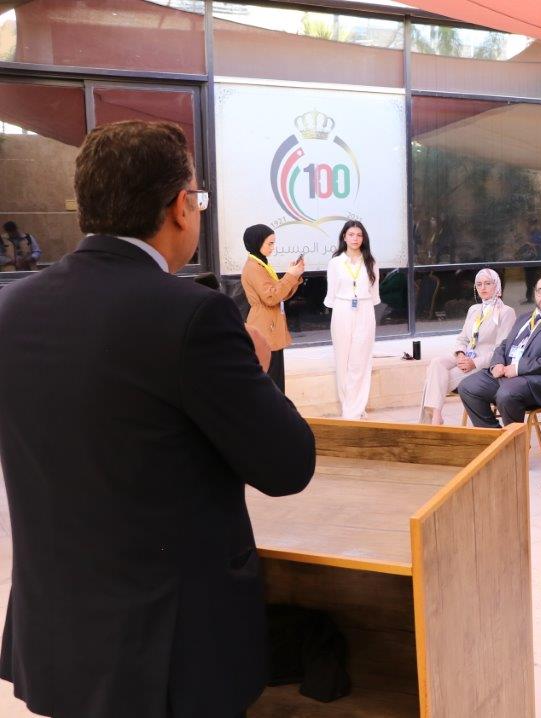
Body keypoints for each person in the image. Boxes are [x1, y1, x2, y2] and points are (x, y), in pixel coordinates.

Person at [0, 121, 315, 718]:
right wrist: (256, 370)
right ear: (178, 206)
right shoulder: (193, 316)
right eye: (197, 198)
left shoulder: (13, 307)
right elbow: (288, 465)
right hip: (167, 655)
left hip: (58, 637)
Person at [457, 275, 541, 427]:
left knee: (507, 394)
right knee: (468, 386)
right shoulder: (524, 318)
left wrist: (518, 368)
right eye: (540, 291)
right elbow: (504, 344)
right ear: (535, 293)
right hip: (509, 375)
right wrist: (497, 363)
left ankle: (514, 439)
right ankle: (495, 436)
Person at [419, 268, 516, 424]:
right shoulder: (474, 309)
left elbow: (501, 349)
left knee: (431, 381)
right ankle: (436, 415)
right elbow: (463, 338)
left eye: (487, 283)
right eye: (479, 284)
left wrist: (474, 363)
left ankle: (431, 421)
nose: (483, 288)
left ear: (497, 285)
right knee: (436, 363)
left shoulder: (506, 312)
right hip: (466, 355)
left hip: (482, 363)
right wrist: (460, 354)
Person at [323, 220, 380, 419]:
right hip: (342, 310)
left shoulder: (371, 262)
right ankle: (348, 406)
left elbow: (374, 294)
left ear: (364, 238)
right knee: (343, 361)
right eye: (351, 234)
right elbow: (331, 294)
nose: (355, 239)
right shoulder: (335, 262)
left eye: (359, 235)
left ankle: (356, 408)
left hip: (365, 310)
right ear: (344, 237)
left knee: (360, 361)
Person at [241, 223, 304, 391]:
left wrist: (294, 276)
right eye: (270, 243)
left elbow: (279, 294)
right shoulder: (254, 267)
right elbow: (271, 297)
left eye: (273, 243)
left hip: (270, 325)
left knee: (275, 379)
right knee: (271, 380)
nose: (273, 247)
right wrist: (290, 276)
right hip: (265, 327)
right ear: (257, 242)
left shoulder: (261, 264)